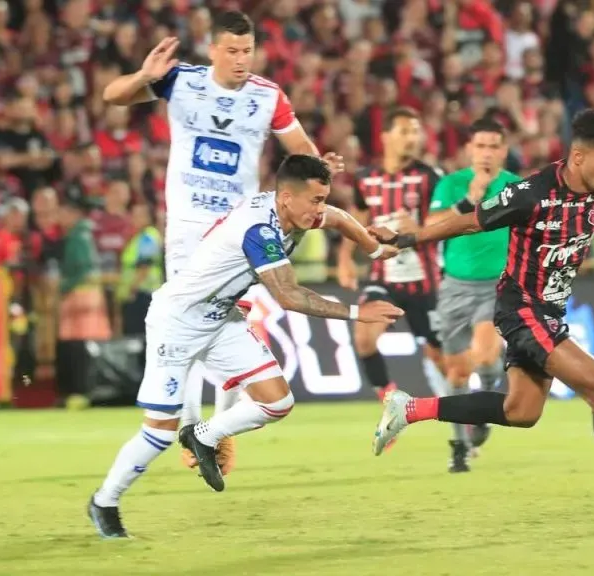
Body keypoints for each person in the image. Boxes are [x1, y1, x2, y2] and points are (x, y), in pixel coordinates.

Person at [367, 109, 594, 528]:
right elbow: (469, 223)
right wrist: (406, 239)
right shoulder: (531, 193)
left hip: (550, 311)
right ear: (578, 157)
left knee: (522, 411)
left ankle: (408, 409)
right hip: (521, 309)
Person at [88, 156, 402, 538]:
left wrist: (372, 249)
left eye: (322, 198)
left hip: (221, 319)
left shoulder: (295, 210)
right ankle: (105, 500)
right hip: (177, 322)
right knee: (160, 432)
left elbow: (337, 217)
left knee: (278, 402)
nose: (320, 209)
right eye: (315, 200)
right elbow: (288, 295)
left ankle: (204, 434)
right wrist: (356, 312)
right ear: (286, 197)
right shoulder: (259, 229)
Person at [100, 11, 344, 476]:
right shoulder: (180, 81)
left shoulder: (267, 95)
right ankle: (196, 428)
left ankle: (209, 433)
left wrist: (321, 166)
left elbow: (301, 151)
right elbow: (112, 97)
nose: (239, 59)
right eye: (231, 50)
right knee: (194, 318)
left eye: (247, 50)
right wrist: (144, 77)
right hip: (189, 225)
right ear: (212, 49)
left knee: (230, 316)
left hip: (240, 229)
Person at [336, 106, 449, 432]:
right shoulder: (365, 179)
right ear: (385, 137)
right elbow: (355, 222)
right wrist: (345, 258)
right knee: (364, 336)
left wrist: (420, 227)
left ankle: (459, 418)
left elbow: (446, 224)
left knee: (442, 359)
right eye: (404, 131)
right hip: (384, 279)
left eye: (416, 131)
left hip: (425, 282)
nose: (412, 138)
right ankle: (390, 405)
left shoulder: (431, 177)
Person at [426, 116, 522, 472]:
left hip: (497, 285)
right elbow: (432, 227)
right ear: (469, 149)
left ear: (504, 151)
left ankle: (486, 391)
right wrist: (470, 199)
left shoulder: (516, 187)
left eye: (493, 146)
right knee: (456, 374)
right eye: (480, 145)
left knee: (484, 355)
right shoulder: (452, 185)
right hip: (454, 286)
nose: (486, 153)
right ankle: (460, 443)